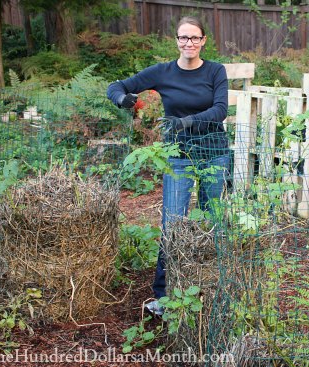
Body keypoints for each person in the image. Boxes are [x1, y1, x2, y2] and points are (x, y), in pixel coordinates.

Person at [107, 16, 229, 316]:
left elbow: (221, 110)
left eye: (195, 38)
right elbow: (116, 85)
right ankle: (163, 295)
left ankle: (207, 287)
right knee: (173, 221)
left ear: (204, 41)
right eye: (183, 38)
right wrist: (123, 100)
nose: (189, 43)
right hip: (178, 155)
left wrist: (187, 121)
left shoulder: (215, 70)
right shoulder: (163, 72)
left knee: (209, 219)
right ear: (176, 40)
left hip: (214, 152)